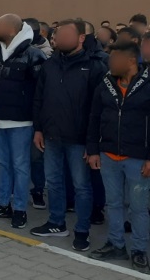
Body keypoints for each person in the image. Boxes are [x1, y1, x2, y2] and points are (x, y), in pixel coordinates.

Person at [31, 19, 107, 252]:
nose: (59, 39)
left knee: (82, 186)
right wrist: (39, 128)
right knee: (54, 182)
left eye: (65, 35)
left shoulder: (94, 67)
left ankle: (82, 231)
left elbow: (99, 109)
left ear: (81, 38)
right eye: (57, 35)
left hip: (79, 139)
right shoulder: (50, 64)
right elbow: (39, 98)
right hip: (51, 135)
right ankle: (56, 222)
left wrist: (92, 144)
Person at [0, 15, 46, 229]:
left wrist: (39, 124)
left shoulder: (34, 54)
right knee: (3, 164)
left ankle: (20, 209)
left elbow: (41, 92)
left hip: (21, 121)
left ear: (12, 29)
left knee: (20, 166)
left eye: (0, 26)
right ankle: (3, 203)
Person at [87, 41, 150, 268]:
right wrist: (93, 150)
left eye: (114, 59)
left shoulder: (147, 84)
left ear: (131, 60)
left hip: (138, 157)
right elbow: (94, 117)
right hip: (108, 155)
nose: (110, 62)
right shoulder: (105, 83)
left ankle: (139, 249)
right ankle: (116, 245)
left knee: (138, 207)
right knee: (113, 204)